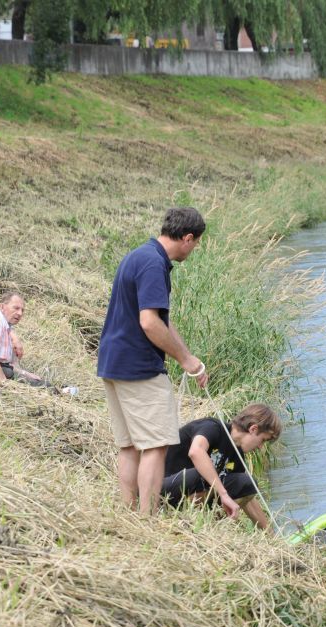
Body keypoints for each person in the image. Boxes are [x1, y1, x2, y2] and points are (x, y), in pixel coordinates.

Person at [97, 207, 208, 515]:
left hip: (113, 362)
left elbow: (158, 316)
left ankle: (129, 512)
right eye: (195, 243)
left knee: (130, 445)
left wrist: (189, 356)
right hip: (138, 367)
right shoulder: (153, 264)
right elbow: (149, 322)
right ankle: (147, 518)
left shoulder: (139, 255)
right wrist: (184, 360)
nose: (194, 249)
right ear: (187, 238)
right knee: (156, 445)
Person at [162, 404, 282, 530]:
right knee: (204, 476)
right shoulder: (213, 427)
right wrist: (223, 494)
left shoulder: (237, 452)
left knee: (247, 483)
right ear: (253, 429)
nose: (260, 447)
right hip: (164, 490)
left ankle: (211, 526)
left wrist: (271, 534)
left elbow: (246, 494)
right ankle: (189, 522)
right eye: (263, 440)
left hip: (191, 495)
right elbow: (196, 452)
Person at [0, 291, 66, 390]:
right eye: (16, 308)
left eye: (22, 310)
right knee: (46, 388)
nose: (20, 313)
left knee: (43, 384)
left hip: (0, 369)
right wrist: (6, 389)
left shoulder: (4, 326)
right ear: (2, 307)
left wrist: (26, 374)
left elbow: (7, 363)